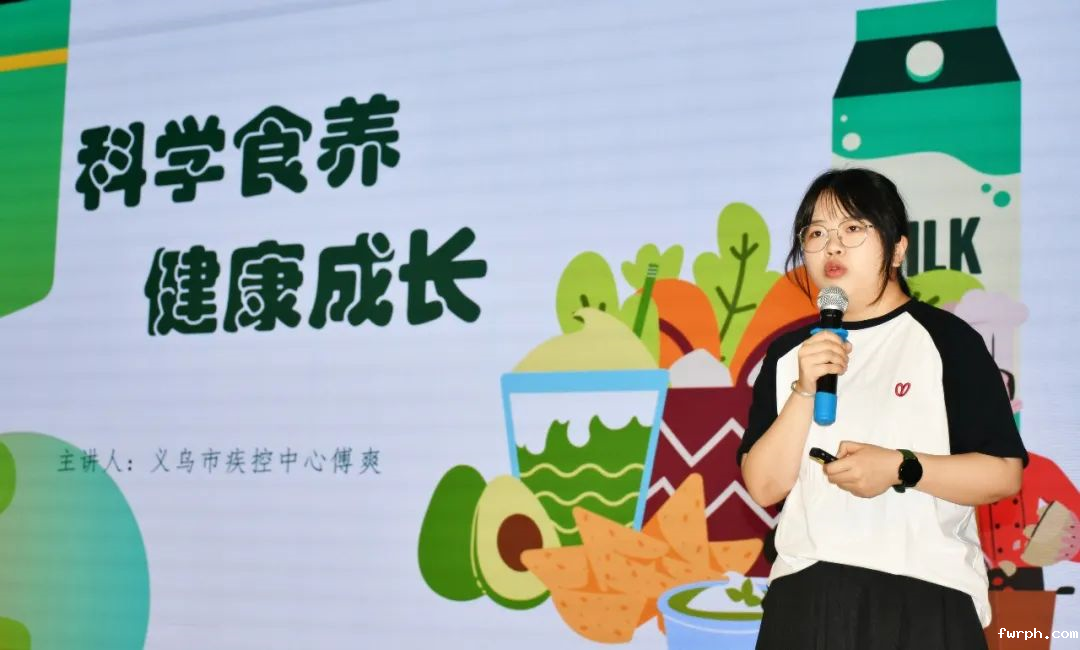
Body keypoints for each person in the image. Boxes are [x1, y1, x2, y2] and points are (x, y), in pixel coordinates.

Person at [737, 168, 1028, 650]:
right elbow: (764, 485)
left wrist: (900, 467)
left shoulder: (947, 341)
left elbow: (1003, 474)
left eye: (853, 228)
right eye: (816, 233)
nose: (832, 246)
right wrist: (803, 390)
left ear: (897, 249)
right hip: (804, 599)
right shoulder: (789, 354)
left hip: (923, 595)